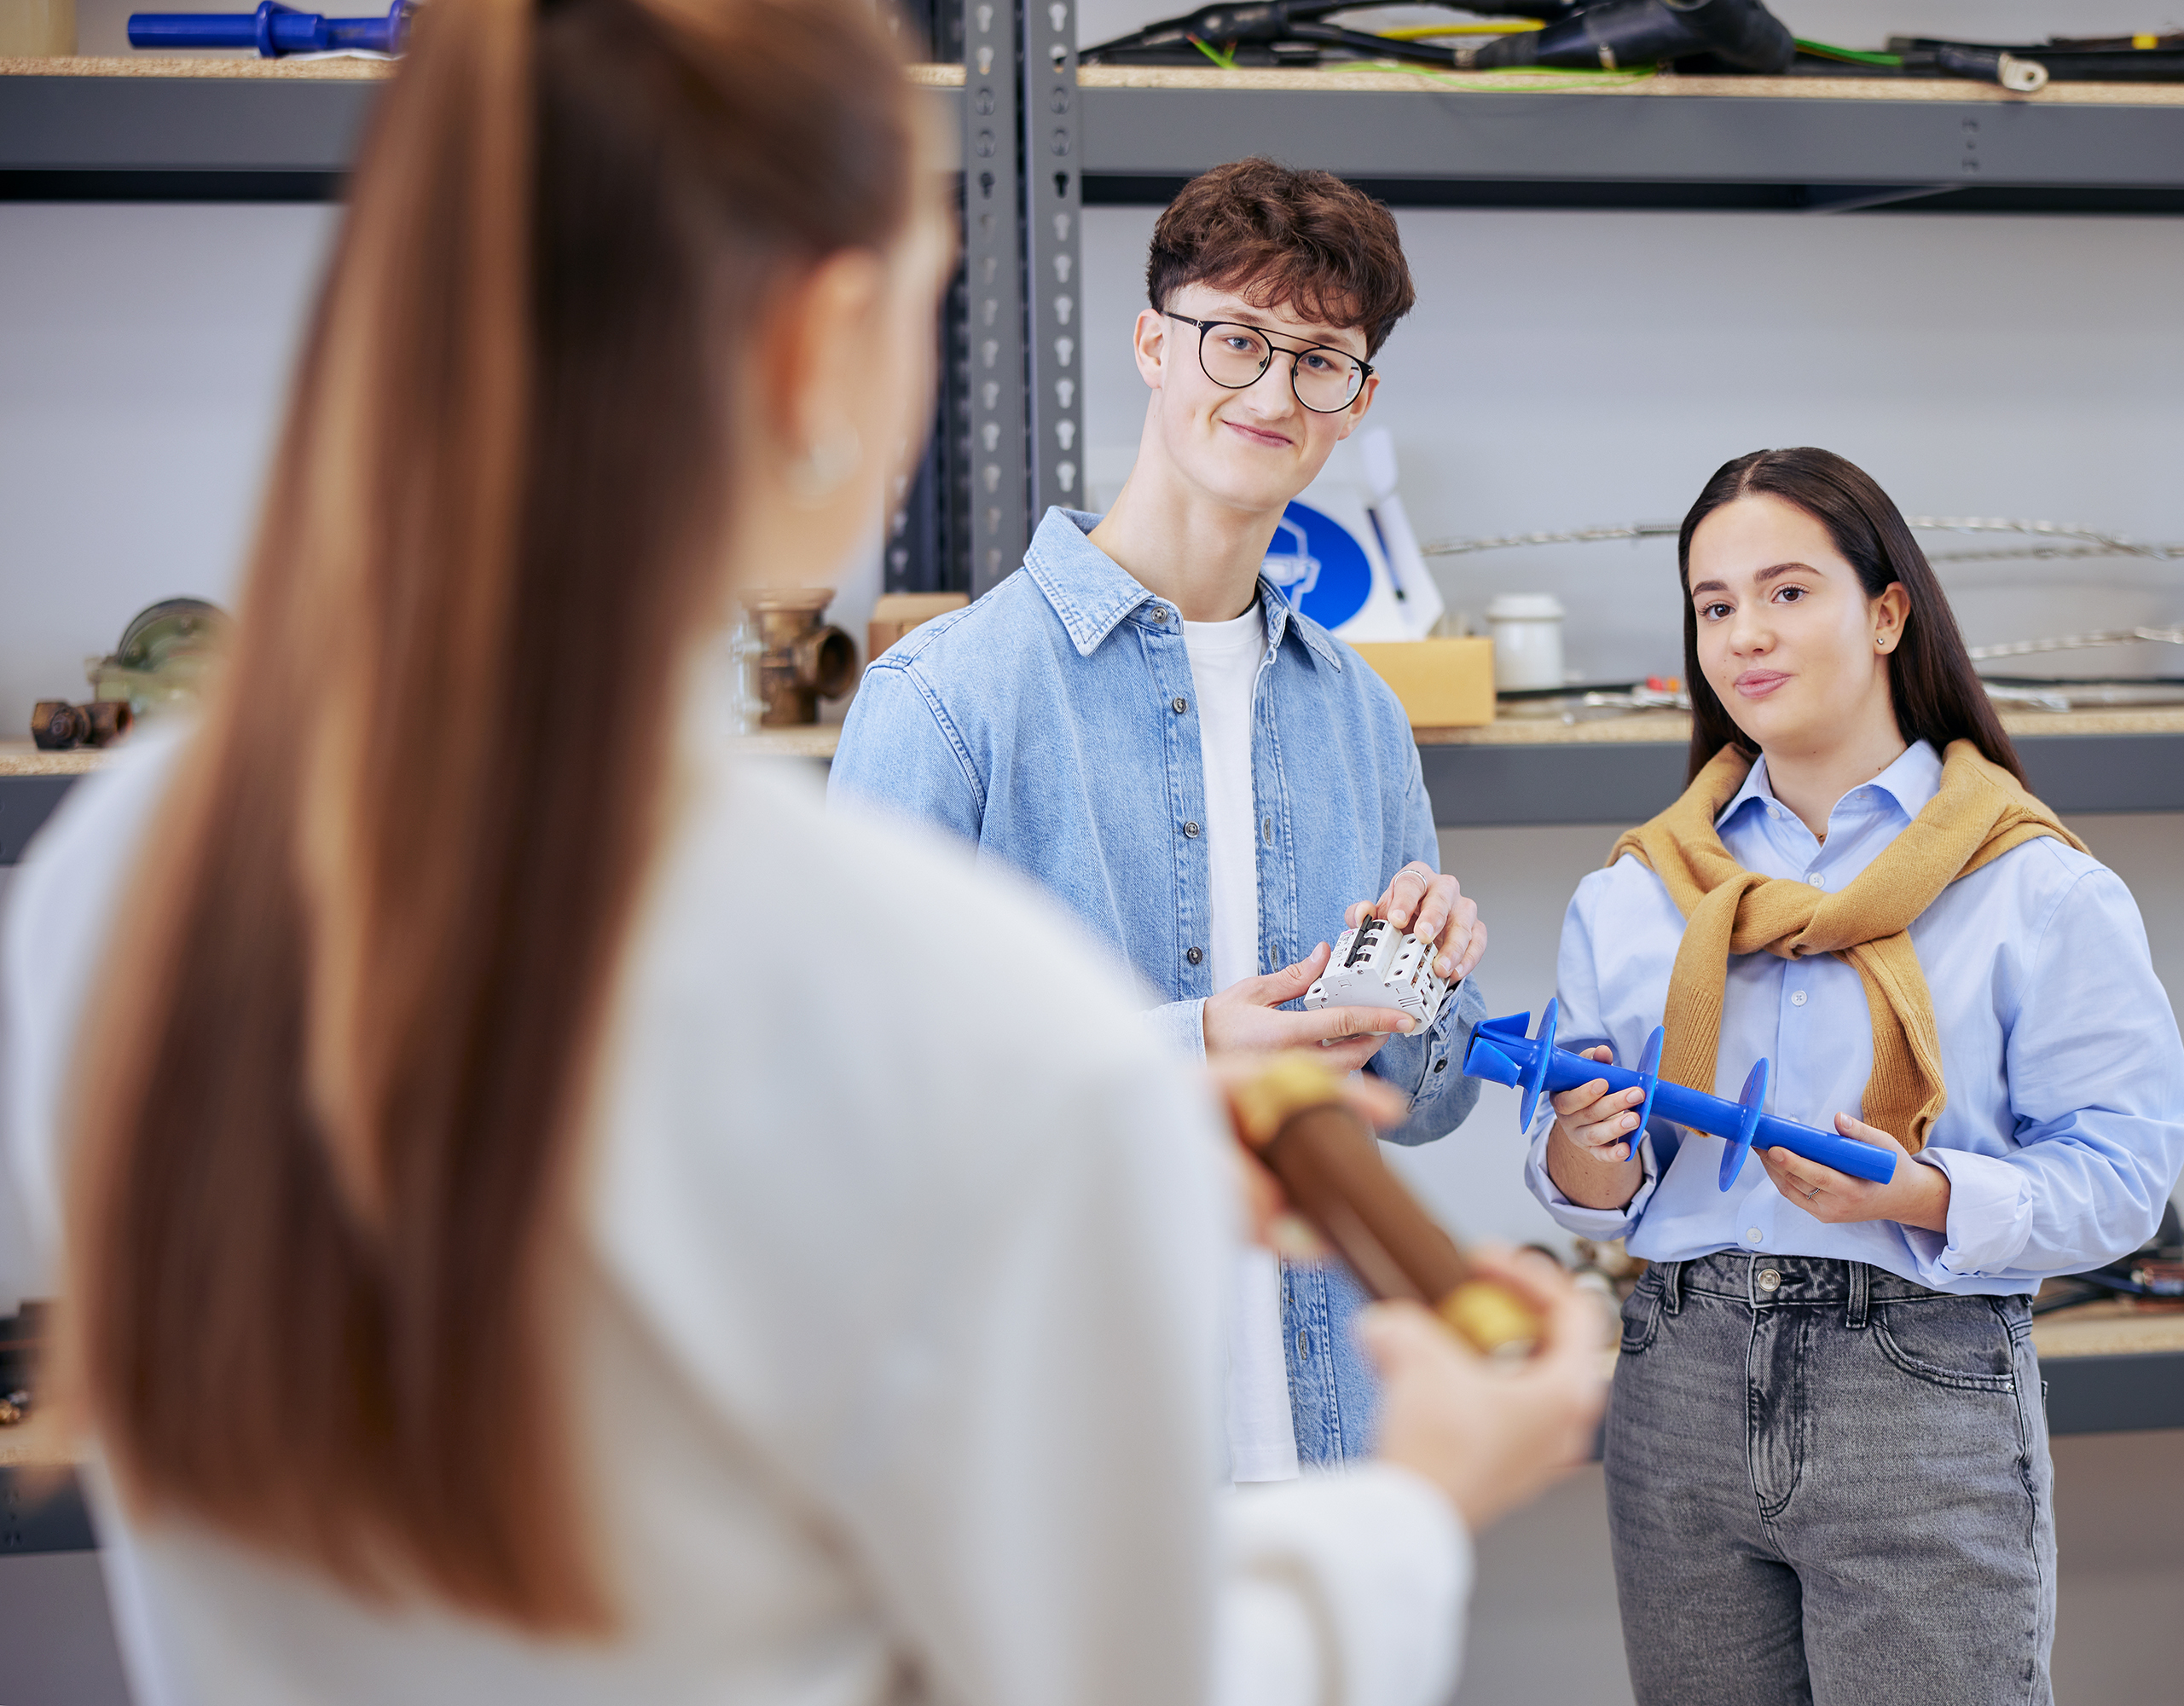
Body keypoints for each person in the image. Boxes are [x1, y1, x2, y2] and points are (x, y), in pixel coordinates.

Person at [0, 0, 1606, 1699]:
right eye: (925, 304)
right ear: (828, 337)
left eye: (1322, 360)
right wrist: (1433, 1488)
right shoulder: (897, 977)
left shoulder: (125, 877)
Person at [831, 159, 1486, 1478]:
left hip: (1330, 1440)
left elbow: (1429, 1098)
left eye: (1320, 362)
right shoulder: (949, 696)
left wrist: (1418, 978)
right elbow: (854, 1101)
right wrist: (1187, 1047)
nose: (1269, 392)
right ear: (1151, 343)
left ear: (1356, 405)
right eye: (1236, 339)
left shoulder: (1359, 711)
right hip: (1067, 1458)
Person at [1527, 448, 2184, 1705]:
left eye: (1788, 593)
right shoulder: (1633, 892)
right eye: (1714, 605)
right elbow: (1584, 1188)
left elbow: (2123, 1178)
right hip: (1677, 1382)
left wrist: (1924, 1193)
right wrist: (1584, 1141)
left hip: (1919, 1388)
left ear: (1888, 613)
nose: (1745, 637)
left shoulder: (2030, 883)